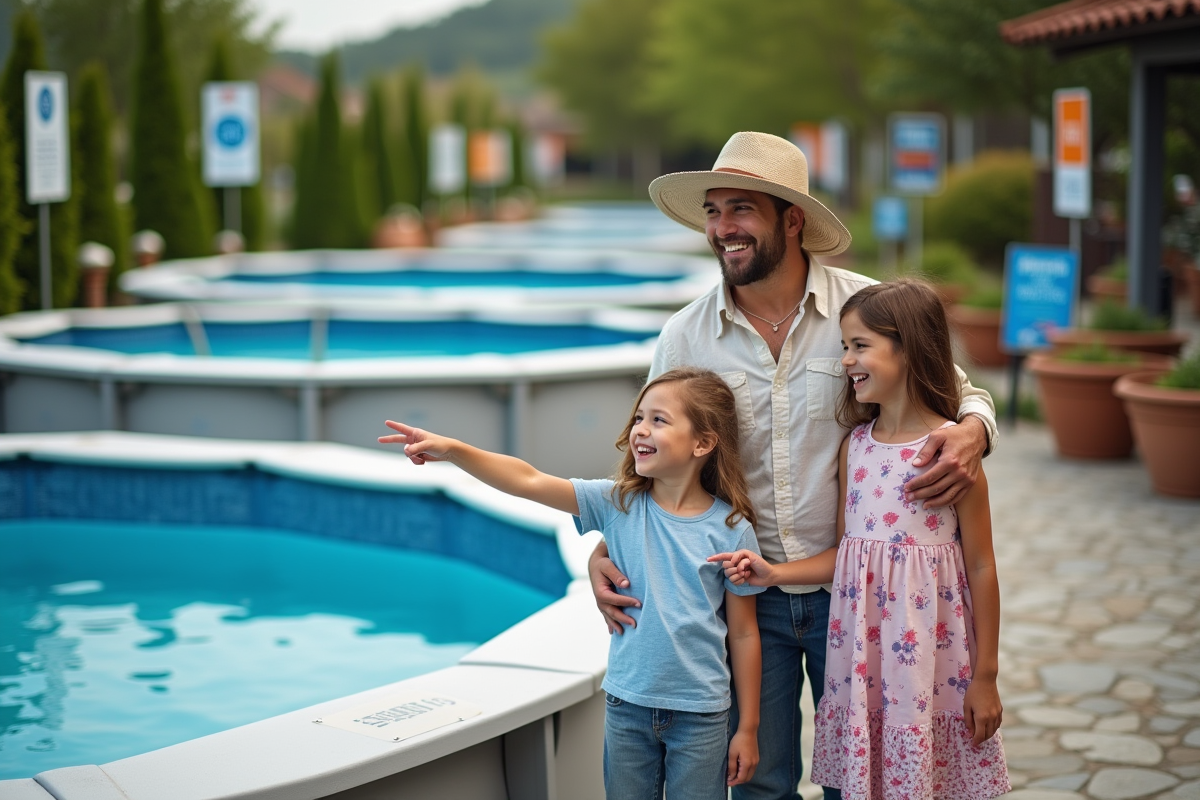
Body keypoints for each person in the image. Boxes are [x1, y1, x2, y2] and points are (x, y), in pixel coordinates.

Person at [587, 131, 999, 800]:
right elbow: (652, 459)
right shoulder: (684, 335)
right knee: (759, 783)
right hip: (744, 600)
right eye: (714, 211)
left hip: (861, 600)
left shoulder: (865, 310)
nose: (723, 229)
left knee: (858, 779)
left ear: (792, 219)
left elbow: (956, 390)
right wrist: (606, 546)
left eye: (741, 209)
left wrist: (975, 429)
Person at [379, 367, 766, 800]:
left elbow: (745, 631)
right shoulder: (616, 503)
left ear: (703, 443)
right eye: (639, 417)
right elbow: (527, 480)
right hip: (626, 706)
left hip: (703, 715)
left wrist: (747, 728)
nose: (641, 428)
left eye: (659, 420)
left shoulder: (731, 529)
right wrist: (453, 450)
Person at [713, 279, 1010, 799]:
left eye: (860, 346)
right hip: (859, 667)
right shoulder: (857, 448)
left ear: (910, 349)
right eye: (844, 347)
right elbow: (847, 555)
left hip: (926, 672)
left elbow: (982, 567)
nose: (847, 360)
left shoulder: (953, 458)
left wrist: (986, 676)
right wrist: (774, 572)